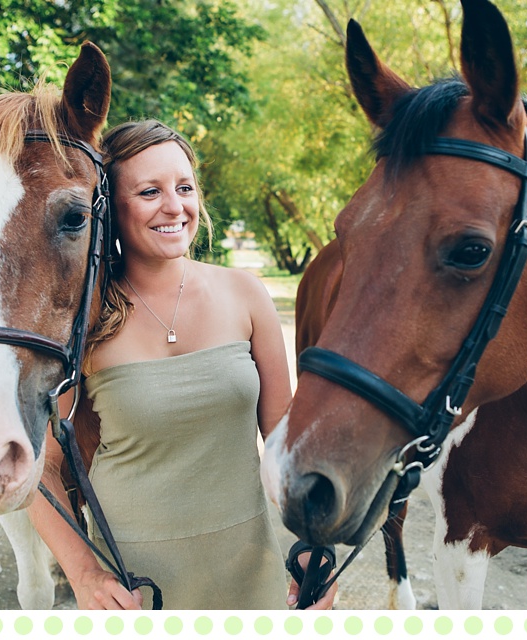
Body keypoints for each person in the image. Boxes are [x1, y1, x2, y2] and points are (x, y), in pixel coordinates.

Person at [26, 119, 337, 610]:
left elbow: (284, 442)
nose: (174, 206)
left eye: (184, 187)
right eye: (150, 191)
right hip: (134, 583)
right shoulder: (84, 319)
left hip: (247, 570)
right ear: (110, 206)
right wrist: (84, 574)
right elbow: (42, 468)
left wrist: (315, 545)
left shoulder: (246, 295)